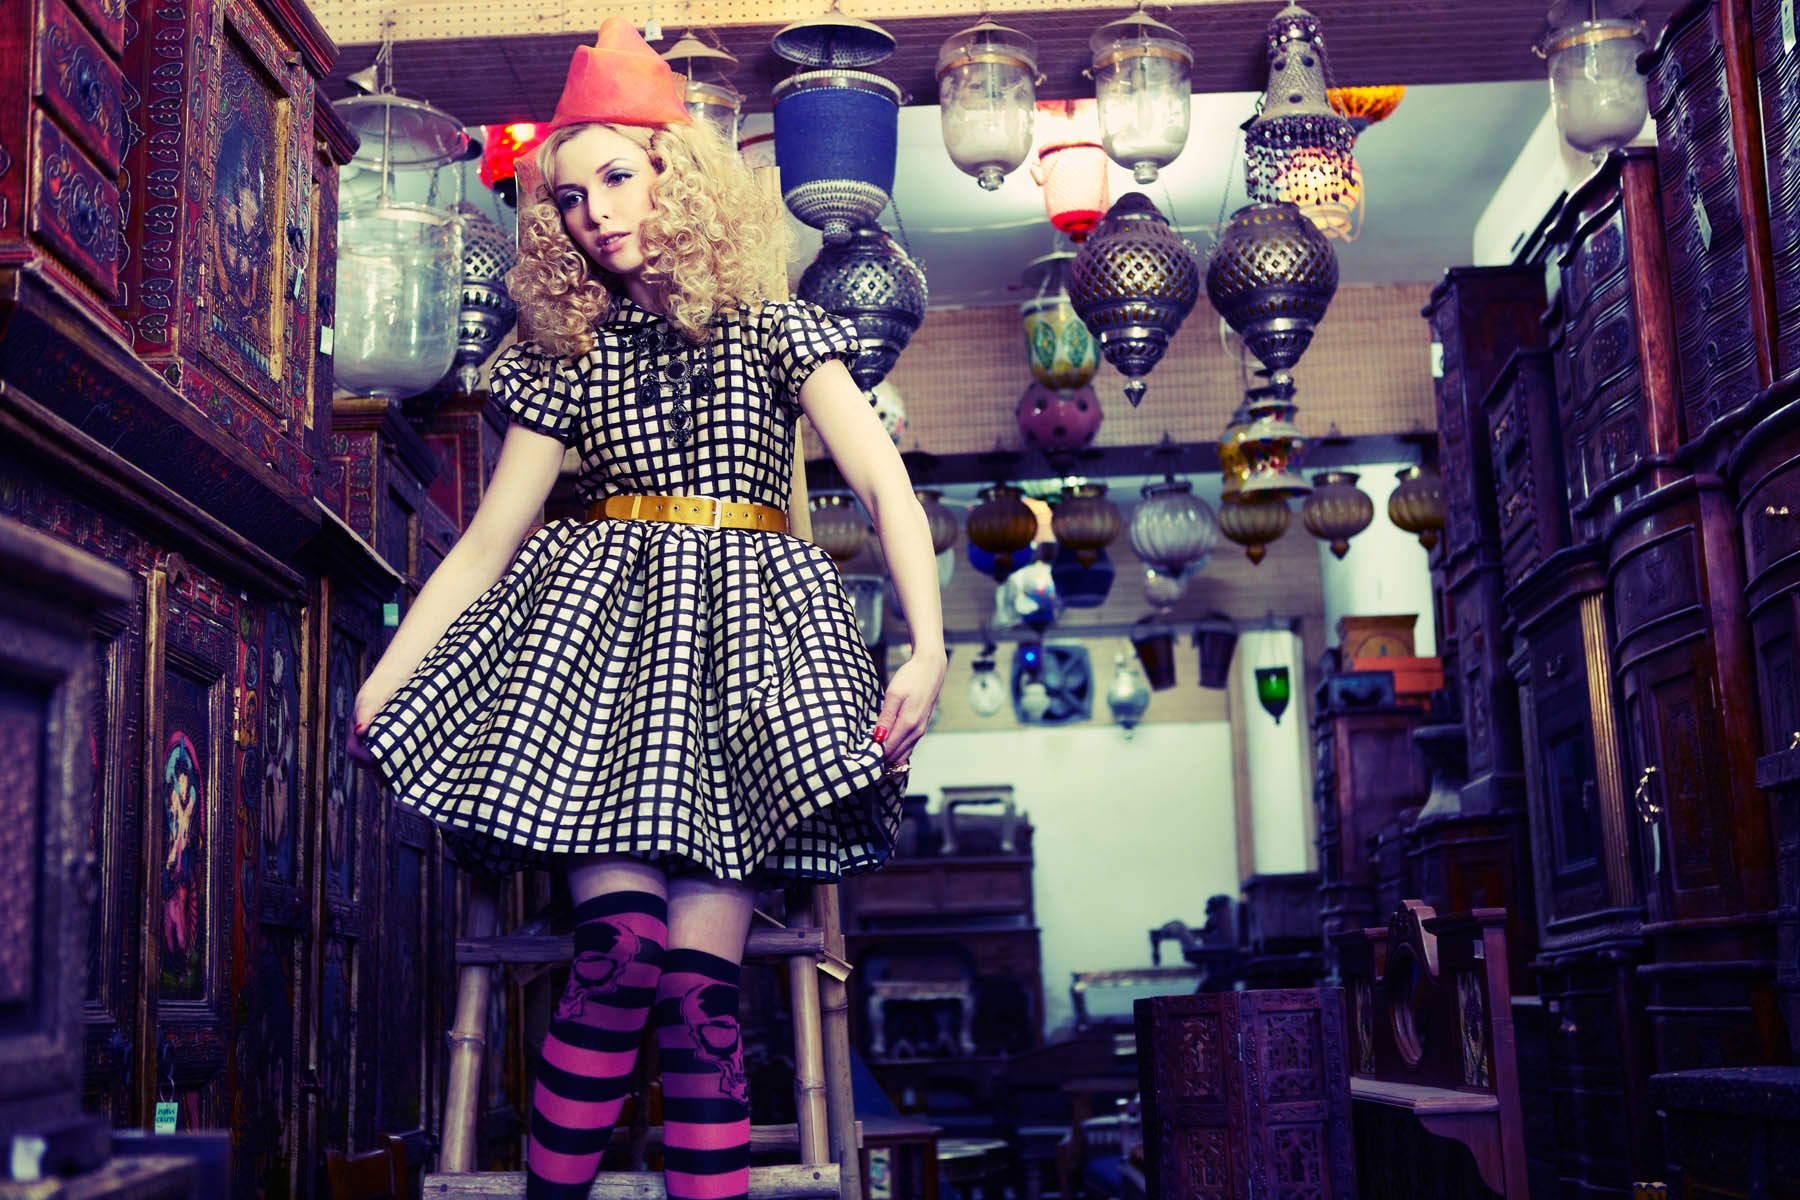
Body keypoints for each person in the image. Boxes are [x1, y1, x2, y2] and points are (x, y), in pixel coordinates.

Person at [349, 19, 945, 1200]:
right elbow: (487, 542)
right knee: (617, 958)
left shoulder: (776, 325)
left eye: (617, 178)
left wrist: (929, 650)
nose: (595, 214)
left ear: (681, 176)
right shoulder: (569, 353)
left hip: (746, 676)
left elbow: (885, 487)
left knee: (698, 998)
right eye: (570, 198)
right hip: (608, 680)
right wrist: (386, 675)